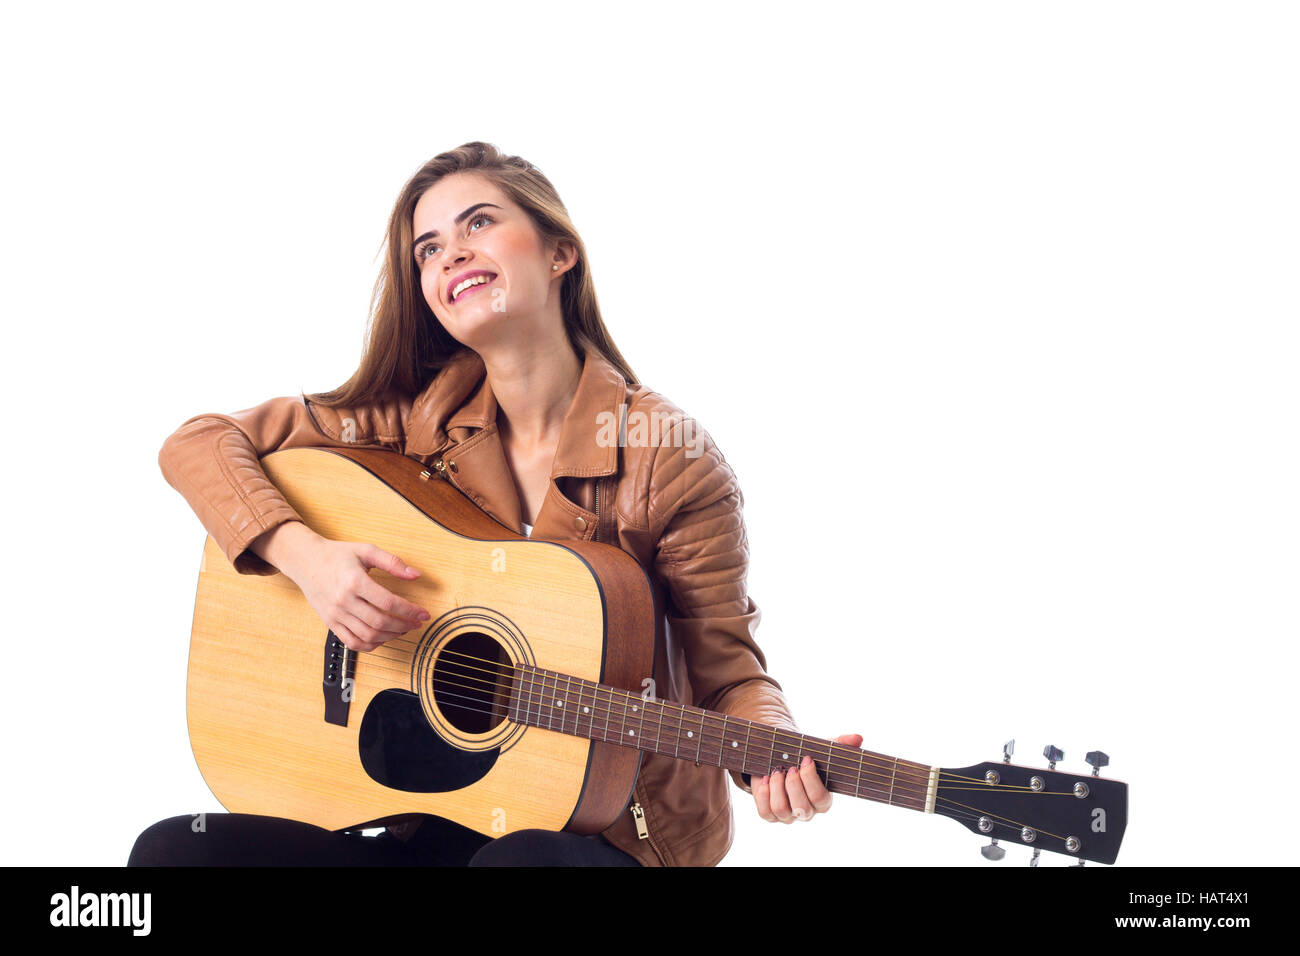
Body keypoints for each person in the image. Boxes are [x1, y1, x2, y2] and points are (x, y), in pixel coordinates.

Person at [132, 141, 863, 867]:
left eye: (477, 222)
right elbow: (199, 442)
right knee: (174, 856)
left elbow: (728, 672)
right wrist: (310, 561)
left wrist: (775, 751)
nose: (449, 253)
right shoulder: (413, 420)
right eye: (427, 248)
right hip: (429, 815)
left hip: (601, 835)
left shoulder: (667, 455)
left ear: (558, 254)